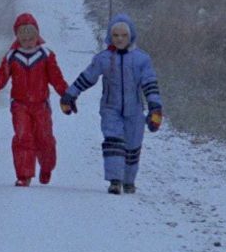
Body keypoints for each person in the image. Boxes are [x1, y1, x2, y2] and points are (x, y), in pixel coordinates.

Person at [60, 13, 163, 195]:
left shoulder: (141, 59)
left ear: (131, 35)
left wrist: (155, 107)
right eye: (116, 35)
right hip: (110, 108)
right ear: (110, 36)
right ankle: (115, 181)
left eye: (124, 35)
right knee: (113, 141)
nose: (120, 39)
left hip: (134, 110)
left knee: (132, 146)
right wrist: (70, 95)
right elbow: (88, 77)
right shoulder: (104, 58)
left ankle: (129, 181)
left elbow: (149, 83)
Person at [0, 13, 68, 187]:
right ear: (18, 38)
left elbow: (56, 78)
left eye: (31, 38)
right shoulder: (12, 57)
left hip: (41, 104)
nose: (28, 42)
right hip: (20, 104)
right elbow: (1, 78)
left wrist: (67, 94)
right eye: (24, 39)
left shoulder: (46, 55)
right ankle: (24, 174)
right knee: (23, 137)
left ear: (37, 36)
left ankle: (46, 166)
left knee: (44, 138)